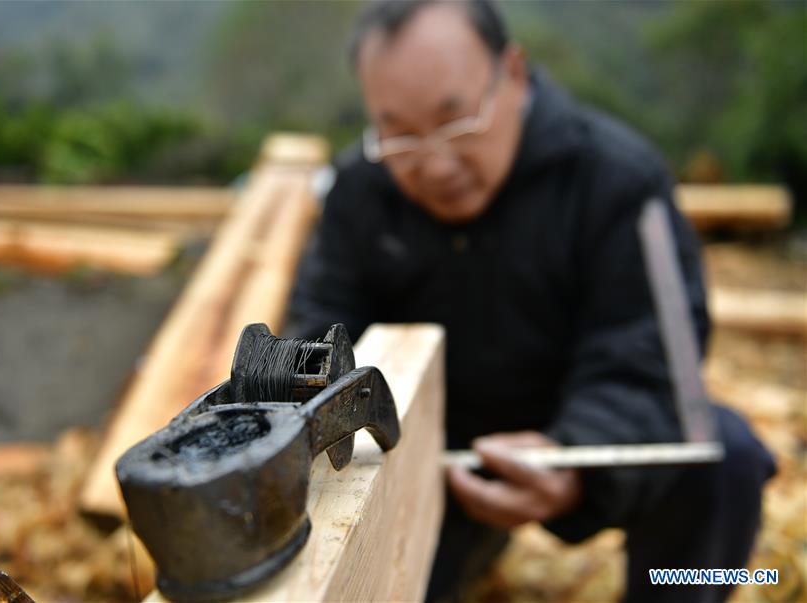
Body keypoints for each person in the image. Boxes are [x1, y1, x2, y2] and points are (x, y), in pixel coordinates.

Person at [287, 1, 776, 601]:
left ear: (513, 74)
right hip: (433, 453)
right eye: (400, 134)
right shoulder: (356, 194)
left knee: (724, 458)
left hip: (583, 430)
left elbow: (652, 358)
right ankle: (467, 548)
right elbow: (315, 336)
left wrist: (576, 453)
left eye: (458, 121)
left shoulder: (618, 179)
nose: (436, 163)